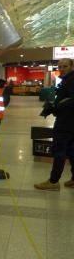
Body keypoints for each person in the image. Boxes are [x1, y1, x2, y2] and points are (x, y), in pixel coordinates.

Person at [35, 58, 74, 191]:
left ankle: (53, 182)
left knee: (59, 150)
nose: (61, 69)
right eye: (60, 67)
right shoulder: (67, 80)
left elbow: (70, 101)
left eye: (65, 66)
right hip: (69, 121)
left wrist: (56, 106)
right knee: (71, 151)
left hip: (65, 122)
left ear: (72, 67)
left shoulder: (71, 80)